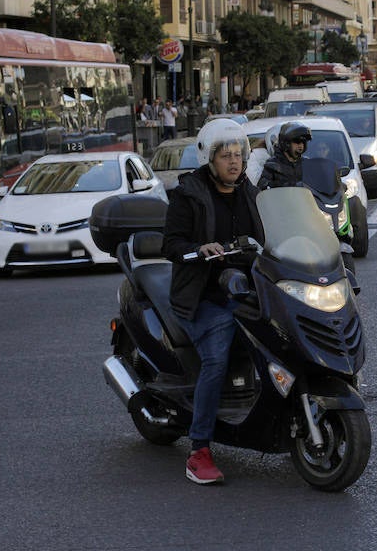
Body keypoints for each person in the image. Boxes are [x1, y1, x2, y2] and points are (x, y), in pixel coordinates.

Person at [161, 119, 264, 485]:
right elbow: (170, 244)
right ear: (210, 158)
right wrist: (197, 248)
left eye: (238, 155)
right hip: (201, 294)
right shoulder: (189, 193)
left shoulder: (251, 191)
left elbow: (273, 231)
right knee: (217, 355)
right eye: (226, 156)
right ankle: (199, 449)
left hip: (247, 288)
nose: (234, 162)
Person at [256, 121, 312, 190]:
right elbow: (262, 189)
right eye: (297, 142)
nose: (301, 146)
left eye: (303, 142)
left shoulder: (307, 164)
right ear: (286, 143)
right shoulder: (272, 165)